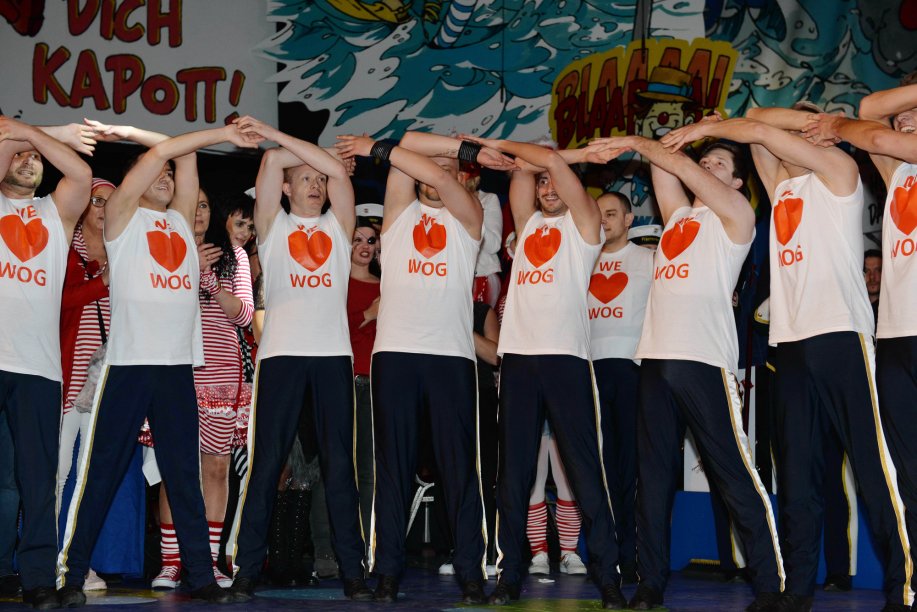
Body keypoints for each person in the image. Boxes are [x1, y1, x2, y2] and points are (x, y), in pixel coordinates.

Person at [662, 105, 912, 612]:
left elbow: (758, 128)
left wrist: (711, 127)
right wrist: (741, 126)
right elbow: (759, 127)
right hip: (789, 347)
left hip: (842, 338)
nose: (791, 139)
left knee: (873, 472)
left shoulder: (840, 172)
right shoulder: (782, 189)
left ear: (820, 136)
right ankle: (796, 590)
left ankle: (901, 589)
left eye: (804, 130)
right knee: (796, 475)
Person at [55, 123, 259, 607]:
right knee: (100, 473)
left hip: (176, 368)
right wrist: (135, 134)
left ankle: (200, 575)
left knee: (184, 476)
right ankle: (72, 573)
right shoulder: (122, 216)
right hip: (129, 365)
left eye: (170, 175)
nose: (166, 177)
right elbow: (161, 155)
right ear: (137, 180)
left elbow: (185, 158)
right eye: (157, 173)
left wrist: (176, 148)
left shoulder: (181, 220)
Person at [588, 134, 783, 611]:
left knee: (733, 475)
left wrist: (647, 143)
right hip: (654, 360)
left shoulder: (736, 216)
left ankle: (770, 585)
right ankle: (650, 583)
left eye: (719, 164)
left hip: (704, 361)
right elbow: (664, 168)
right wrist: (666, 144)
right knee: (652, 483)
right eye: (705, 160)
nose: (707, 166)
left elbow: (678, 167)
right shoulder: (678, 218)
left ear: (737, 182)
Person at [335, 130, 511, 605]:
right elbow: (411, 144)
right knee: (392, 469)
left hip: (451, 356)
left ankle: (471, 572)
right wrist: (440, 150)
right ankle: (387, 572)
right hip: (394, 354)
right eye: (425, 169)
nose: (435, 176)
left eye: (448, 170)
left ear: (463, 179)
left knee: (460, 469)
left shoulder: (469, 217)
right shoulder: (398, 211)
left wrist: (383, 149)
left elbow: (434, 170)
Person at [461, 135, 625, 609]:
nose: (548, 187)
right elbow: (525, 169)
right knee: (512, 476)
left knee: (585, 472)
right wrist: (550, 163)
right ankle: (509, 575)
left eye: (556, 182)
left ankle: (608, 577)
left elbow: (548, 161)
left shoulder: (586, 223)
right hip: (517, 360)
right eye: (542, 183)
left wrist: (564, 159)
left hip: (565, 359)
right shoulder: (528, 223)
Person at [225, 118, 368, 602]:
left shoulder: (338, 225)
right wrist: (302, 147)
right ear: (286, 188)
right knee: (267, 465)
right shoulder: (273, 225)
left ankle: (352, 570)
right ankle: (247, 569)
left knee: (339, 465)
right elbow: (270, 158)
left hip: (332, 357)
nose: (316, 184)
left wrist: (325, 163)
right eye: (305, 178)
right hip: (282, 356)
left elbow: (340, 175)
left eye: (319, 179)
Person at [803, 76, 917, 604]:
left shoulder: (898, 153)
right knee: (905, 473)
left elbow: (872, 130)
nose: (903, 118)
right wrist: (850, 122)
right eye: (903, 113)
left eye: (914, 112)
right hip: (894, 337)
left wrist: (839, 125)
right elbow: (873, 107)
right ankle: (908, 586)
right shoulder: (899, 174)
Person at [0, 117, 92, 609]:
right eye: (19, 154)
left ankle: (38, 579)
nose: (28, 159)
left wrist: (37, 138)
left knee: (38, 482)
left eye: (36, 158)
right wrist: (49, 132)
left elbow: (80, 174)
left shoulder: (56, 213)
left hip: (38, 366)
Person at [152, 186, 254, 590]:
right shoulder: (163, 247)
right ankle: (171, 561)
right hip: (176, 365)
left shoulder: (234, 256)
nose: (198, 212)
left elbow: (244, 315)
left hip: (222, 372)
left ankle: (209, 561)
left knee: (216, 467)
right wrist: (188, 265)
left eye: (205, 205)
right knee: (175, 467)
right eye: (191, 204)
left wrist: (209, 280)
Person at [588, 191, 653, 583]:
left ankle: (630, 557)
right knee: (596, 470)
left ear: (629, 220)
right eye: (598, 214)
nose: (603, 221)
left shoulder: (648, 259)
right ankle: (603, 554)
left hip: (632, 369)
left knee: (630, 469)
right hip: (589, 369)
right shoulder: (582, 257)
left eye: (611, 214)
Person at [347, 221, 381, 547]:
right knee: (339, 468)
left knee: (370, 468)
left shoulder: (387, 287)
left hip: (376, 385)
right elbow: (330, 330)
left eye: (371, 240)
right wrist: (369, 314)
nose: (365, 246)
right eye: (358, 239)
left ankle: (368, 546)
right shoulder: (336, 283)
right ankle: (332, 550)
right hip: (344, 383)